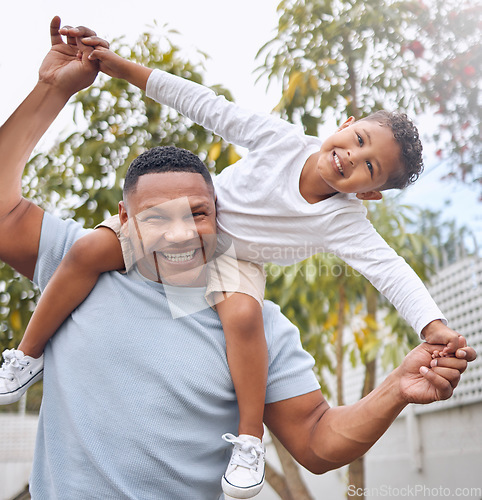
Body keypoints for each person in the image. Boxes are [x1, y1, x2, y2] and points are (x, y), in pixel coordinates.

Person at [0, 17, 477, 500]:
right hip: (185, 220)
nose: (353, 157)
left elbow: (389, 269)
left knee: (244, 315)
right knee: (88, 249)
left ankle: (249, 441)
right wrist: (123, 70)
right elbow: (207, 106)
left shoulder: (346, 223)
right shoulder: (281, 141)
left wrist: (431, 325)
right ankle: (25, 356)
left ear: (371, 195)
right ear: (346, 125)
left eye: (369, 166)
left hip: (235, 262)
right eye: (358, 141)